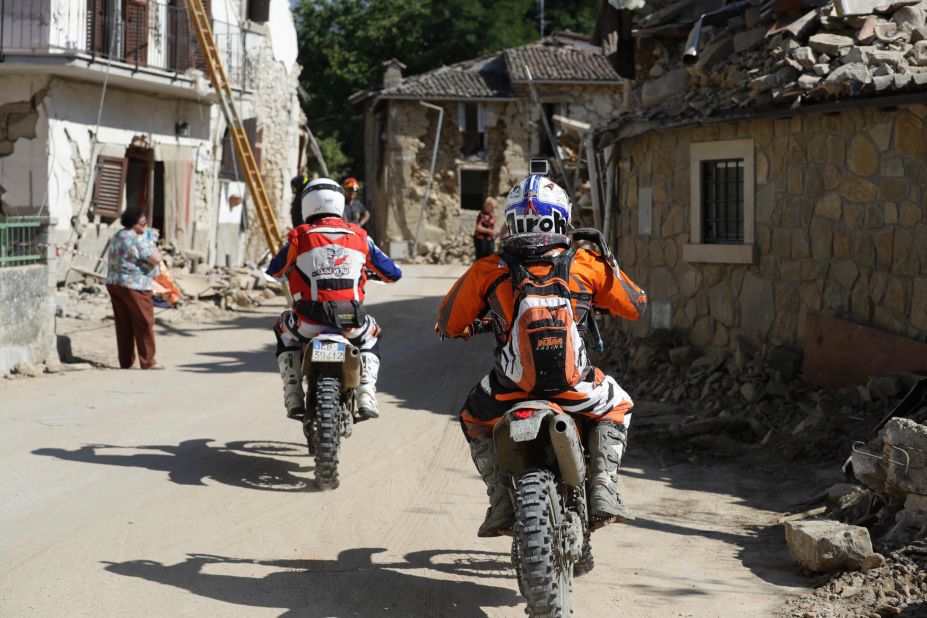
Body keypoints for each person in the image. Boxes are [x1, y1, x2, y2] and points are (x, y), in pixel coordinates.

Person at [436, 175, 648, 538]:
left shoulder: (489, 269)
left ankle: (501, 501)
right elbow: (635, 305)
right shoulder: (585, 263)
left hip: (510, 391)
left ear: (511, 220)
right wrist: (605, 261)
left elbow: (448, 324)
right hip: (574, 388)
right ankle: (603, 487)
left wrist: (477, 324)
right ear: (561, 217)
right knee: (620, 406)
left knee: (471, 417)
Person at [267, 177, 402, 422]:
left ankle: (293, 394)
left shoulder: (300, 237)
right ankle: (366, 393)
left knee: (283, 327)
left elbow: (274, 270)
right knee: (372, 334)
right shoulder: (361, 237)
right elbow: (393, 273)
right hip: (350, 321)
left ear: (307, 204)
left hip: (308, 322)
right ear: (339, 202)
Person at [105, 207, 164, 370]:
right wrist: (153, 243)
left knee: (123, 323)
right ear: (134, 223)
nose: (145, 225)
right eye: (143, 222)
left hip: (114, 283)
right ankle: (148, 360)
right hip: (135, 285)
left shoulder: (118, 235)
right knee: (144, 322)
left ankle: (125, 361)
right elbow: (156, 258)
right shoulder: (138, 238)